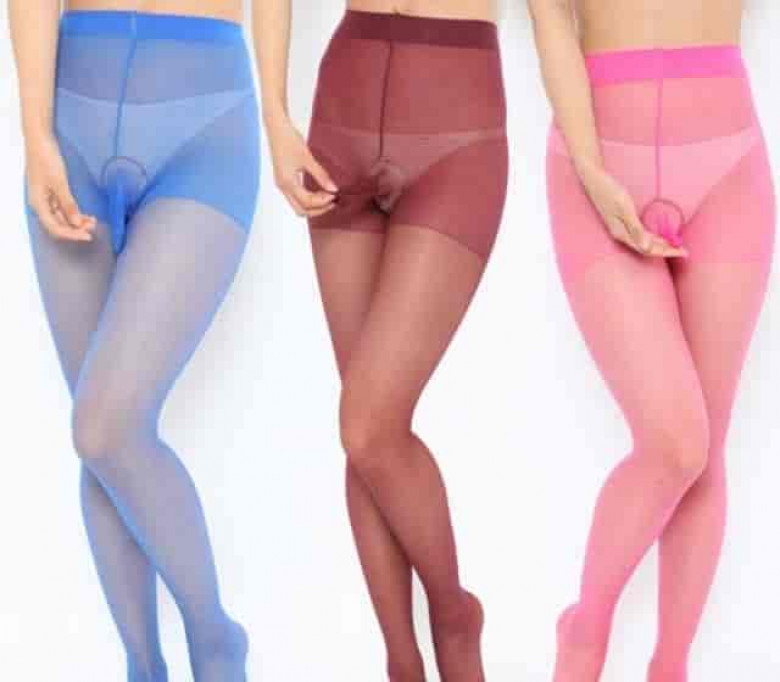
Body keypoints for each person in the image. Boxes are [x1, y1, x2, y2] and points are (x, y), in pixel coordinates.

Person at [256, 1, 508, 679]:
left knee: (369, 423)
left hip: (457, 129)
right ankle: (401, 658)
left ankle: (453, 615)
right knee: (361, 426)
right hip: (340, 116)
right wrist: (275, 118)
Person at [9, 1, 259, 679]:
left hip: (204, 125)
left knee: (106, 426)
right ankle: (143, 667)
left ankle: (215, 640)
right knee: (99, 445)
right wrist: (36, 135)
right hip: (70, 124)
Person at [529, 1, 775, 679]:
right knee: (675, 440)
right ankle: (585, 633)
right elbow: (551, 21)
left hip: (729, 168)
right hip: (597, 161)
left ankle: (670, 666)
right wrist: (590, 167)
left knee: (705, 451)